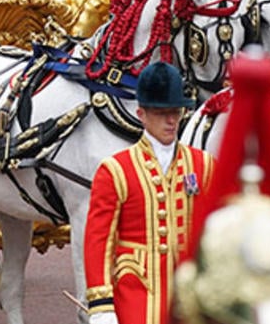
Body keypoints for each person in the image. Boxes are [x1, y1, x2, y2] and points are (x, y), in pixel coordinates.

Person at [84, 61, 213, 324]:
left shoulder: (204, 164)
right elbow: (98, 241)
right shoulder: (115, 170)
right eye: (161, 112)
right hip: (137, 292)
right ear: (141, 114)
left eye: (176, 112)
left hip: (190, 294)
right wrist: (101, 303)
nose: (171, 120)